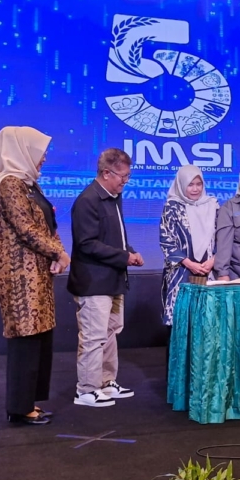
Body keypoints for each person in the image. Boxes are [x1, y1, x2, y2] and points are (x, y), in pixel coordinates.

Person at [0, 126, 70, 426]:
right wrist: (58, 254)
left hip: (37, 272)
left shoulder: (29, 185)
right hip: (18, 274)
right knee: (26, 336)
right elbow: (26, 229)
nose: (43, 158)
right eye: (39, 152)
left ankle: (28, 401)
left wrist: (58, 252)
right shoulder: (9, 185)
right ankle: (19, 408)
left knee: (39, 334)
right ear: (23, 150)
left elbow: (48, 225)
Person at [68, 148, 144, 407]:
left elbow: (114, 237)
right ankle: (86, 390)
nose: (126, 181)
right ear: (106, 173)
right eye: (123, 176)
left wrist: (129, 252)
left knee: (111, 332)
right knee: (93, 336)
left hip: (113, 279)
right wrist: (124, 257)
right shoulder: (87, 200)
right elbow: (87, 244)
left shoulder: (114, 197)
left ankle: (106, 381)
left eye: (128, 176)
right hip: (93, 282)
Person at [160, 165, 218, 331]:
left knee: (207, 321)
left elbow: (223, 237)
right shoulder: (172, 206)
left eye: (199, 184)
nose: (195, 189)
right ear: (181, 185)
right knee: (181, 321)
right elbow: (166, 240)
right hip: (181, 271)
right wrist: (189, 263)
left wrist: (213, 260)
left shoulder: (213, 205)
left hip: (209, 270)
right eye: (190, 184)